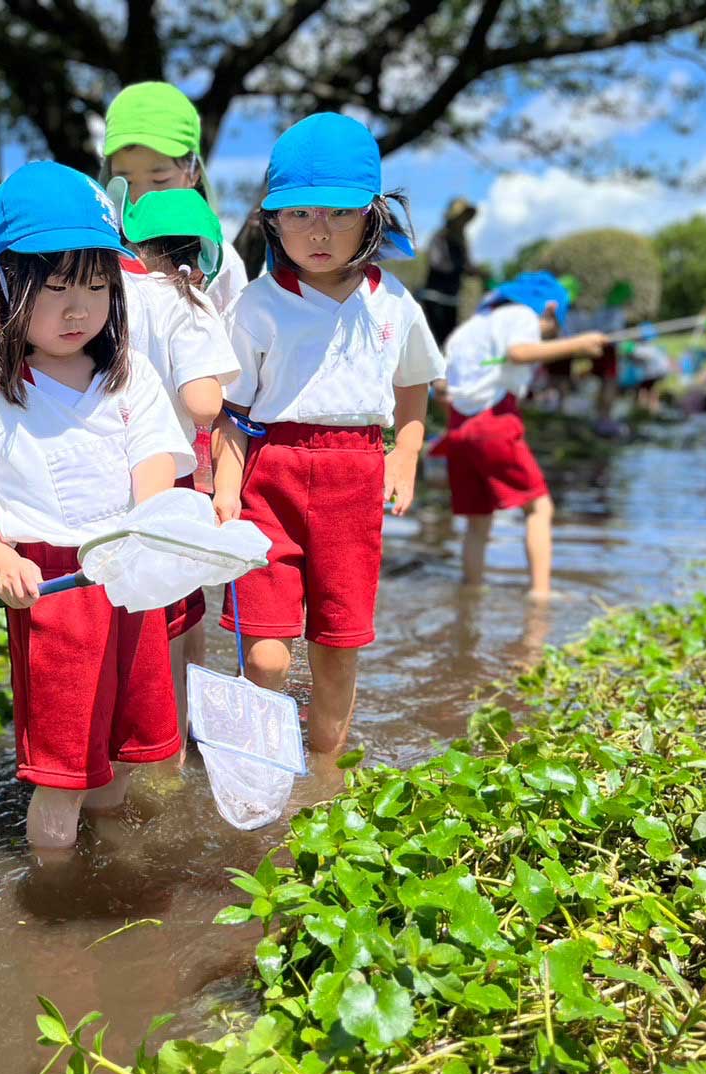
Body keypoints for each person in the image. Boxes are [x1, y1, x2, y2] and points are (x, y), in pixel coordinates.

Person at [0, 162, 196, 852]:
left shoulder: (128, 377)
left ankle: (113, 861)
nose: (79, 310)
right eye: (56, 287)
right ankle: (53, 877)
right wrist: (1, 559)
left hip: (127, 576)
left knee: (123, 749)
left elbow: (156, 456)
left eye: (97, 287)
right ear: (3, 283)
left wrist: (147, 520)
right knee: (61, 768)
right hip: (52, 589)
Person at [211, 113, 444, 754]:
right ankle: (257, 758)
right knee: (267, 655)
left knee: (337, 648)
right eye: (299, 214)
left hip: (356, 476)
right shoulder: (257, 305)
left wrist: (405, 452)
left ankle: (324, 773)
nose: (319, 232)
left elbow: (414, 381)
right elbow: (232, 411)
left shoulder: (393, 302)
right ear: (272, 220)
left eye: (339, 213)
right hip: (271, 475)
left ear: (372, 216)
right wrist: (225, 491)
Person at [115, 185, 240, 751]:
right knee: (176, 610)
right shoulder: (187, 300)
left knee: (123, 606)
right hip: (167, 474)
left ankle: (123, 736)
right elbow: (203, 404)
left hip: (106, 472)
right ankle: (172, 742)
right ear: (203, 256)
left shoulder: (110, 293)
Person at [435, 272, 606, 599]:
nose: (548, 337)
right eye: (553, 329)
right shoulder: (523, 315)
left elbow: (442, 386)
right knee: (539, 508)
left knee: (477, 522)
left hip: (458, 428)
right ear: (551, 309)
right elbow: (519, 352)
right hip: (495, 424)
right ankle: (540, 594)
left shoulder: (471, 327)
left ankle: (471, 590)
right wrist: (578, 344)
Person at [102, 82, 249, 313]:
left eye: (160, 180)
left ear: (194, 174)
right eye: (126, 182)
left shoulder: (217, 259)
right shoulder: (100, 251)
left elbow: (235, 328)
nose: (143, 196)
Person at [418, 197, 488, 344]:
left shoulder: (461, 241)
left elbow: (467, 266)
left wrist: (480, 273)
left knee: (450, 341)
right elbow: (436, 263)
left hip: (451, 299)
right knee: (436, 341)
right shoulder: (439, 237)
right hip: (435, 298)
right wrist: (460, 267)